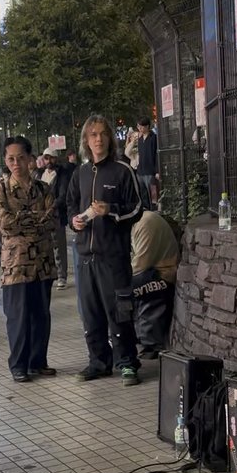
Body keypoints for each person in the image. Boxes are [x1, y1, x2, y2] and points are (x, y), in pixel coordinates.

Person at [66, 114, 142, 386]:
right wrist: (73, 221)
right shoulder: (81, 173)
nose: (98, 139)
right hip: (85, 257)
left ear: (109, 137)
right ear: (87, 141)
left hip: (113, 257)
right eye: (93, 135)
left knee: (119, 312)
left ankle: (128, 363)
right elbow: (70, 206)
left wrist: (111, 211)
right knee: (91, 312)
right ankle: (98, 362)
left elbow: (137, 208)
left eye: (102, 134)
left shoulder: (123, 171)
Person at [0, 137, 57, 382]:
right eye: (11, 159)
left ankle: (37, 362)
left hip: (43, 263)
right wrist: (35, 218)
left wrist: (23, 219)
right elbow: (4, 223)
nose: (16, 163)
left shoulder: (43, 188)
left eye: (21, 157)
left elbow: (51, 220)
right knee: (18, 317)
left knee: (41, 314)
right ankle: (18, 365)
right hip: (15, 265)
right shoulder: (0, 189)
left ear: (31, 159)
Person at [131, 211, 179, 359]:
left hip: (163, 274)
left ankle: (150, 343)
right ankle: (137, 336)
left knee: (126, 290)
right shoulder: (139, 222)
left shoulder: (145, 223)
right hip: (153, 270)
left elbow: (142, 263)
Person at [37, 149, 69, 289]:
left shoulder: (62, 175)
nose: (49, 161)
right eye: (46, 158)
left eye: (52, 158)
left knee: (59, 247)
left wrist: (52, 208)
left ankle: (62, 275)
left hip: (56, 216)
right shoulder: (41, 175)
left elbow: (63, 195)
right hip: (43, 217)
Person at [136, 117, 159, 209]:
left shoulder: (154, 138)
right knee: (143, 194)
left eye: (141, 127)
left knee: (153, 195)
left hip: (150, 171)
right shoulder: (140, 139)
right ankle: (146, 211)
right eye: (138, 127)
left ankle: (154, 211)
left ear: (147, 127)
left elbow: (156, 154)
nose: (139, 129)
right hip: (140, 171)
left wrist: (157, 170)